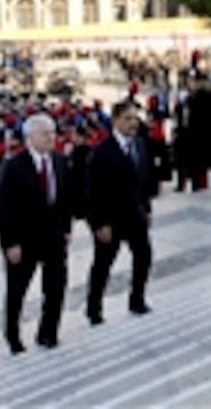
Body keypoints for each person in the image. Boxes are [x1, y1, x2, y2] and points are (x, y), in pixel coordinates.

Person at [0, 113, 77, 354]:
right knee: (17, 290)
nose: (52, 138)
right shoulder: (13, 167)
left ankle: (48, 333)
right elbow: (3, 208)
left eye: (53, 133)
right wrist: (9, 243)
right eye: (45, 133)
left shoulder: (60, 162)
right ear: (30, 137)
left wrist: (67, 228)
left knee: (56, 287)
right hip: (24, 240)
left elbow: (65, 199)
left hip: (53, 237)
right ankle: (13, 336)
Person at [85, 100, 157, 325]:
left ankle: (137, 299)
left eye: (135, 118)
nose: (133, 123)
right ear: (115, 121)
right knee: (103, 265)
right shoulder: (102, 152)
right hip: (110, 219)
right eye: (127, 119)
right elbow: (91, 191)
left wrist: (146, 208)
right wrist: (98, 224)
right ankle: (93, 308)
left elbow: (143, 181)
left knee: (144, 256)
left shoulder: (140, 145)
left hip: (135, 216)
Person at [173, 70, 211, 192]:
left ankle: (198, 184)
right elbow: (179, 113)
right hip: (185, 134)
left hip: (199, 137)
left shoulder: (205, 97)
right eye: (189, 81)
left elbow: (207, 120)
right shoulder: (186, 96)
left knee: (198, 164)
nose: (190, 83)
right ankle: (182, 182)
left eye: (193, 81)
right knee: (183, 160)